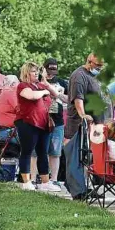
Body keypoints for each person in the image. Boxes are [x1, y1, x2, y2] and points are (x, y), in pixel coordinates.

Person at [15, 62, 60, 191]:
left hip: (43, 123)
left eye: (37, 71)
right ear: (26, 73)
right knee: (27, 151)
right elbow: (31, 96)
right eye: (33, 71)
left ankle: (45, 182)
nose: (36, 73)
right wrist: (44, 91)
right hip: (28, 122)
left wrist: (46, 85)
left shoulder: (40, 85)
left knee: (43, 152)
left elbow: (56, 94)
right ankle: (26, 181)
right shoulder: (23, 86)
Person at [30, 58, 68, 190]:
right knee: (36, 151)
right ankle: (33, 178)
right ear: (44, 68)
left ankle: (54, 179)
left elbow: (68, 99)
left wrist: (53, 91)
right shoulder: (36, 80)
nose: (52, 73)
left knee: (55, 151)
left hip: (56, 120)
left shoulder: (62, 82)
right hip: (39, 119)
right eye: (49, 70)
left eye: (54, 70)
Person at [65, 53, 113, 140]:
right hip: (85, 131)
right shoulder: (79, 75)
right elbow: (78, 99)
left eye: (102, 65)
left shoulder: (98, 76)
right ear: (89, 61)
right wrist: (83, 115)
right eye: (98, 65)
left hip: (100, 129)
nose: (100, 68)